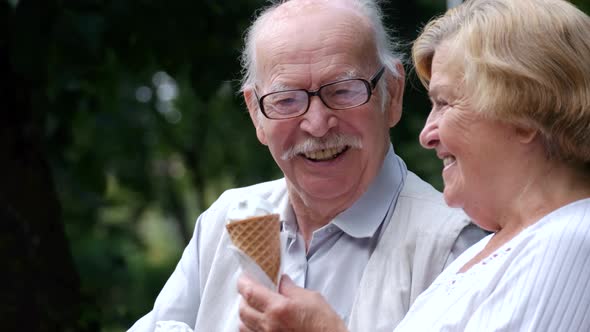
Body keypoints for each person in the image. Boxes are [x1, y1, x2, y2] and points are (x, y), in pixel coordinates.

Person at [128, 0, 486, 331]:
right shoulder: (226, 222)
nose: (317, 124)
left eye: (344, 90)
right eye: (286, 99)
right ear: (256, 113)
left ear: (392, 94)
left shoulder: (454, 246)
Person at [237, 0, 590, 331]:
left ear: (526, 115)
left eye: (445, 103)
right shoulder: (503, 245)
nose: (427, 134)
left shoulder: (571, 240)